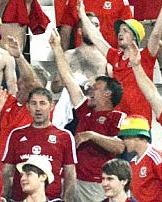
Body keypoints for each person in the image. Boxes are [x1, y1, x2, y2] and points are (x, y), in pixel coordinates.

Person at [48, 29, 124, 202]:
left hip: (95, 185)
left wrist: (91, 135)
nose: (90, 89)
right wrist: (57, 48)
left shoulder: (117, 117)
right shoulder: (85, 109)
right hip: (70, 180)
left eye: (96, 88)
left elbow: (120, 147)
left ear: (107, 94)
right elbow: (68, 79)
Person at [1, 88, 77, 202]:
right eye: (33, 103)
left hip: (51, 199)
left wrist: (66, 200)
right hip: (19, 198)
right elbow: (7, 173)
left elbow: (70, 174)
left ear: (51, 106)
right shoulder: (16, 135)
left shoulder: (64, 136)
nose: (38, 108)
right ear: (27, 106)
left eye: (42, 103)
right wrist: (3, 198)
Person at [117, 115, 162, 202]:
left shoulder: (156, 159)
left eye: (126, 138)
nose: (124, 142)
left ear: (136, 138)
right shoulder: (133, 162)